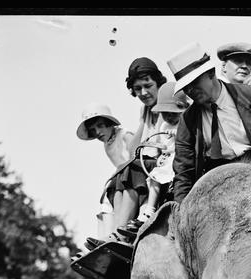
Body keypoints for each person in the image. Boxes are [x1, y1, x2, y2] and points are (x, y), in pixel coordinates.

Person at [166, 42, 251, 205]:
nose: (190, 91)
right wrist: (183, 212)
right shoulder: (188, 120)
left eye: (194, 83)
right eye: (186, 87)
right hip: (215, 188)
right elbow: (184, 173)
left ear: (211, 74)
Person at [85, 57, 168, 249]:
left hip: (165, 161)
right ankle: (113, 233)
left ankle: (117, 235)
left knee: (133, 169)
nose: (143, 92)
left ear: (158, 82)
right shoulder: (146, 110)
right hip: (149, 162)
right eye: (138, 89)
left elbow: (162, 142)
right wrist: (143, 119)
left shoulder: (167, 103)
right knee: (116, 181)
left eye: (148, 85)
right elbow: (134, 149)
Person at [134, 81, 189, 224]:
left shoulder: (185, 123)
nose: (170, 118)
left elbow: (187, 142)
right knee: (154, 178)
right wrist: (160, 156)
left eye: (173, 113)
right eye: (165, 114)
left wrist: (177, 133)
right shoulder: (164, 125)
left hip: (180, 158)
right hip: (168, 158)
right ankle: (149, 209)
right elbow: (164, 147)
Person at [76, 103, 133, 236]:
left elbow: (133, 156)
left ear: (109, 123)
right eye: (93, 130)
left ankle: (116, 232)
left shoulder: (125, 134)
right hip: (120, 175)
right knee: (105, 201)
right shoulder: (107, 144)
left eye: (100, 126)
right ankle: (103, 238)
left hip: (132, 175)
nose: (97, 132)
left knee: (113, 191)